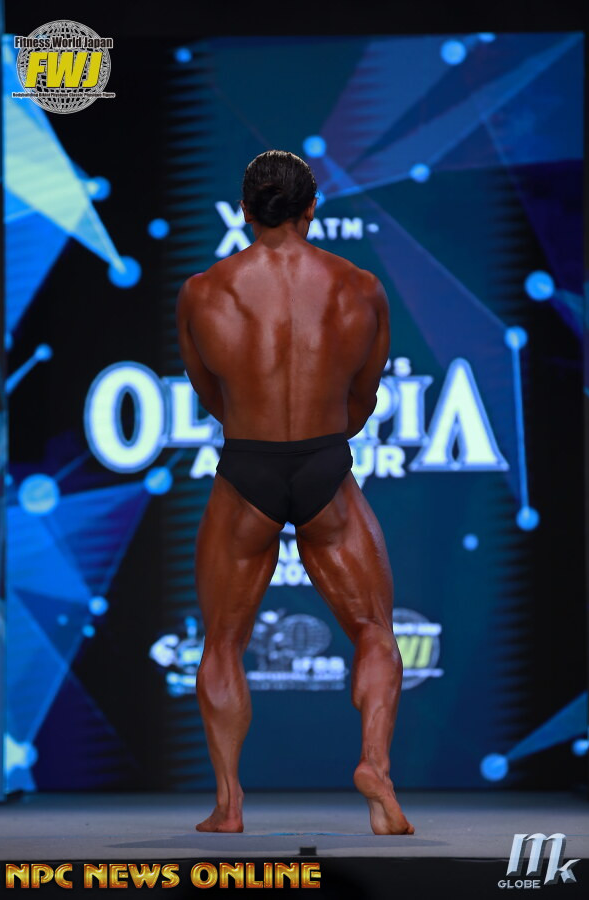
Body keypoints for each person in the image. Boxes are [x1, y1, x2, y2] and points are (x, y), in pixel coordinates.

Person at [176, 149, 414, 836]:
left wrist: (256, 430)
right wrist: (321, 440)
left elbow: (210, 394)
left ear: (245, 211)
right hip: (324, 466)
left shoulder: (203, 292)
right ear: (312, 208)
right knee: (374, 630)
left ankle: (229, 805)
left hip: (246, 467)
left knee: (223, 640)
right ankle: (374, 765)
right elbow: (363, 398)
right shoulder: (360, 288)